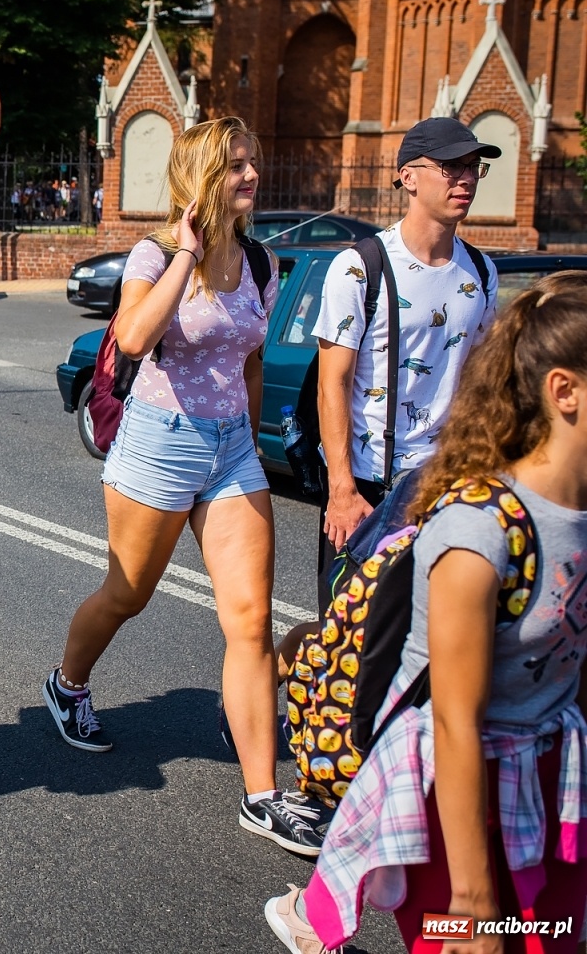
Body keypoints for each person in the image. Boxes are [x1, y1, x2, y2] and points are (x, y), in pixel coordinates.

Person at [267, 271, 587, 954]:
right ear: (566, 392)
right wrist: (470, 905)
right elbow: (454, 721)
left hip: (550, 773)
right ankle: (319, 912)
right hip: (459, 793)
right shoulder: (481, 530)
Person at [41, 118, 325, 854]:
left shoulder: (261, 262)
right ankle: (69, 683)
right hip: (157, 448)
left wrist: (253, 450)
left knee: (250, 621)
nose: (251, 175)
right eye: (236, 165)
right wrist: (186, 259)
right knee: (127, 594)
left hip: (231, 451)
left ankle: (263, 795)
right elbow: (133, 338)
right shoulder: (153, 252)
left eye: (254, 162)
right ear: (201, 173)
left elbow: (251, 360)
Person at [314, 117, 501, 603]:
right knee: (347, 641)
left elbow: (482, 381)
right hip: (370, 486)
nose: (464, 178)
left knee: (431, 642)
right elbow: (331, 384)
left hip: (449, 482)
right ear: (409, 176)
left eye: (472, 167)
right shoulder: (361, 266)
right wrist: (342, 489)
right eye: (450, 166)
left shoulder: (481, 271)